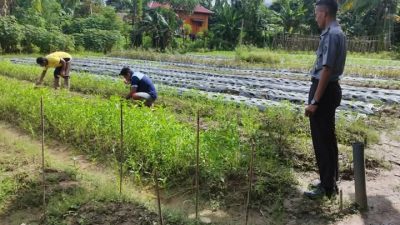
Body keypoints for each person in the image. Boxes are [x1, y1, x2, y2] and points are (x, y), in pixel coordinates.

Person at [304, 0, 346, 199]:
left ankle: (326, 187)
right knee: (328, 138)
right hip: (331, 90)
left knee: (322, 140)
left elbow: (326, 70)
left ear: (325, 13)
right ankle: (329, 181)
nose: (315, 18)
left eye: (316, 14)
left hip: (324, 90)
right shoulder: (339, 32)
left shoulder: (331, 35)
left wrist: (315, 102)